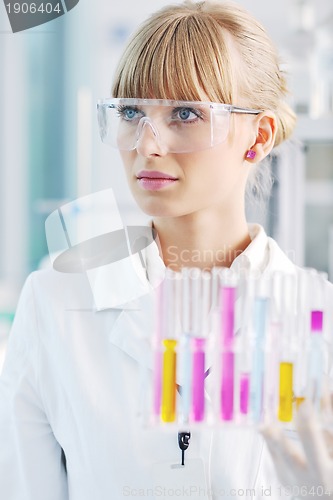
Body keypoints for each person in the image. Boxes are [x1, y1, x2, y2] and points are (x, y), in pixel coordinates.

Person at [0, 1, 332, 499]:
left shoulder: (319, 321)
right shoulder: (55, 306)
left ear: (257, 136)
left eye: (185, 113)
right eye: (132, 112)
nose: (148, 145)